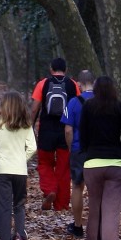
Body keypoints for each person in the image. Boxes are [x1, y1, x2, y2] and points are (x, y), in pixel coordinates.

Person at [79, 75, 121, 240]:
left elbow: (83, 133)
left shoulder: (88, 107)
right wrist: (119, 149)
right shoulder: (120, 107)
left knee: (94, 204)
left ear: (95, 89)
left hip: (93, 162)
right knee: (111, 207)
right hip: (115, 162)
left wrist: (87, 150)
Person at [0, 91, 37, 240]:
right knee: (19, 205)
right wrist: (23, 158)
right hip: (20, 170)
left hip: (3, 170)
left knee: (4, 207)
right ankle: (20, 238)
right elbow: (33, 147)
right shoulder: (26, 124)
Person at [29, 57, 79, 212]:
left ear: (51, 69)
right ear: (66, 69)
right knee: (64, 168)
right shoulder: (73, 84)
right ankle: (61, 205)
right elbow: (77, 106)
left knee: (44, 163)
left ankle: (50, 189)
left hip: (46, 129)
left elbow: (34, 108)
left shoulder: (43, 84)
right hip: (66, 129)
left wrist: (29, 127)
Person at [62, 69, 95, 239]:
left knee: (77, 187)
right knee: (96, 189)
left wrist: (71, 148)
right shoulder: (102, 102)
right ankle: (97, 226)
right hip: (98, 150)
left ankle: (77, 225)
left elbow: (68, 129)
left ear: (79, 84)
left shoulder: (73, 102)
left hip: (78, 149)